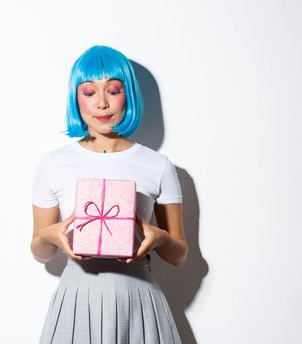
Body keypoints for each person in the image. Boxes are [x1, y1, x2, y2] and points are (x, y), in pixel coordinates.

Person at [31, 45, 188, 343]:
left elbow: (179, 254)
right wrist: (50, 236)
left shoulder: (158, 166)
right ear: (75, 98)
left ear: (128, 94)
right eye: (89, 92)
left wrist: (161, 238)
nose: (102, 103)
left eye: (113, 90)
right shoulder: (53, 164)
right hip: (76, 297)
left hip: (137, 297)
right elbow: (40, 251)